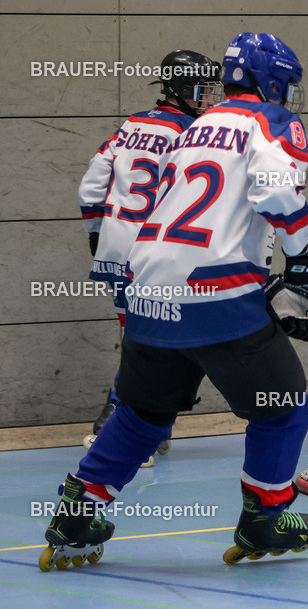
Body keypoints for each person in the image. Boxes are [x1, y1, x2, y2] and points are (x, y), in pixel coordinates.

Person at [40, 32, 308, 571]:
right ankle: (265, 517)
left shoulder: (192, 126)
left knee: (142, 414)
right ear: (272, 82)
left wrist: (265, 280)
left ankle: (76, 516)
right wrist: (305, 255)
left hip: (146, 289)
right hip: (215, 293)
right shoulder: (273, 120)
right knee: (283, 406)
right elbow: (274, 191)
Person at [78, 50, 221, 465]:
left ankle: (148, 426)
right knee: (154, 344)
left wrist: (97, 234)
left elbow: (91, 187)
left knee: (141, 338)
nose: (209, 97)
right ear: (180, 88)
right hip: (159, 255)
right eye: (202, 89)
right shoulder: (194, 132)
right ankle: (118, 427)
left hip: (115, 250)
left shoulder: (131, 124)